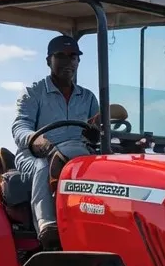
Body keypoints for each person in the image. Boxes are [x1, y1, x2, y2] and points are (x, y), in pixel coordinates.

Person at [11, 34, 100, 248]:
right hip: (36, 154)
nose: (68, 61)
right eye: (61, 56)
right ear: (48, 61)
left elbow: (96, 128)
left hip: (76, 154)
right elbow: (19, 126)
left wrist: (98, 132)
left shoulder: (87, 97)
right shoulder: (34, 93)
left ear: (78, 61)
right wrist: (35, 139)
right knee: (46, 165)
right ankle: (47, 225)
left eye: (73, 57)